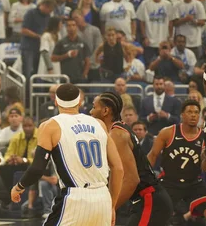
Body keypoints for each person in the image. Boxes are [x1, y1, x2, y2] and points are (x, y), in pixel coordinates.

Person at [10, 83, 124, 225]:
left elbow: (38, 168)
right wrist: (111, 206)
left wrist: (18, 187)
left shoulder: (50, 126)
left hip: (75, 197)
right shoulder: (99, 124)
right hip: (102, 197)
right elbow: (118, 168)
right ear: (80, 101)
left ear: (56, 101)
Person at [90, 92, 172, 225]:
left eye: (94, 107)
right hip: (148, 200)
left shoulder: (117, 134)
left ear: (105, 111)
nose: (90, 111)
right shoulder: (118, 128)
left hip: (149, 200)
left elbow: (132, 180)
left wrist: (109, 208)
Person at [147, 100, 206, 223]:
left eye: (196, 112)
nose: (193, 115)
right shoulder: (168, 132)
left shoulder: (204, 137)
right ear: (182, 115)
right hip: (169, 182)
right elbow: (153, 155)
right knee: (156, 215)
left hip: (194, 183)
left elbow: (204, 166)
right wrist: (145, 179)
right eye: (190, 112)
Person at [51, 18, 91, 83]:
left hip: (79, 78)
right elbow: (53, 58)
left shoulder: (83, 43)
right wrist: (67, 55)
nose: (71, 28)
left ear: (76, 27)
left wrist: (84, 74)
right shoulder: (61, 42)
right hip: (65, 77)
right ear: (66, 28)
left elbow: (88, 61)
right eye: (69, 25)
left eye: (73, 25)